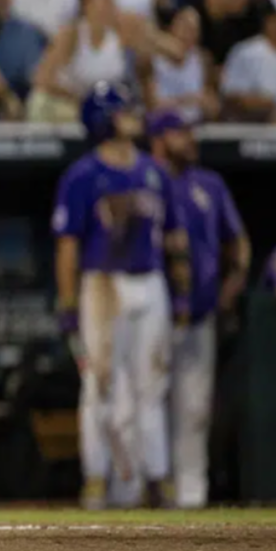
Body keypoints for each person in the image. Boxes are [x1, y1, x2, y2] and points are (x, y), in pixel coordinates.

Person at [51, 81, 190, 509]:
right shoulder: (83, 175)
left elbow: (176, 238)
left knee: (153, 384)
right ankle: (96, 477)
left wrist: (182, 292)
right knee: (100, 385)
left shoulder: (153, 170)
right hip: (102, 285)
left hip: (149, 281)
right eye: (123, 108)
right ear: (104, 119)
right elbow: (68, 244)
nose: (133, 113)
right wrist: (69, 300)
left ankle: (156, 478)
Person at [147, 109, 249, 509]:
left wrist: (232, 283)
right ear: (158, 138)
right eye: (179, 132)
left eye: (191, 132)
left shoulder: (209, 183)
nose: (190, 139)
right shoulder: (145, 178)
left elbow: (237, 241)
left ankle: (191, 497)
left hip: (201, 315)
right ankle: (147, 490)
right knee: (148, 404)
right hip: (155, 314)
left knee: (194, 408)